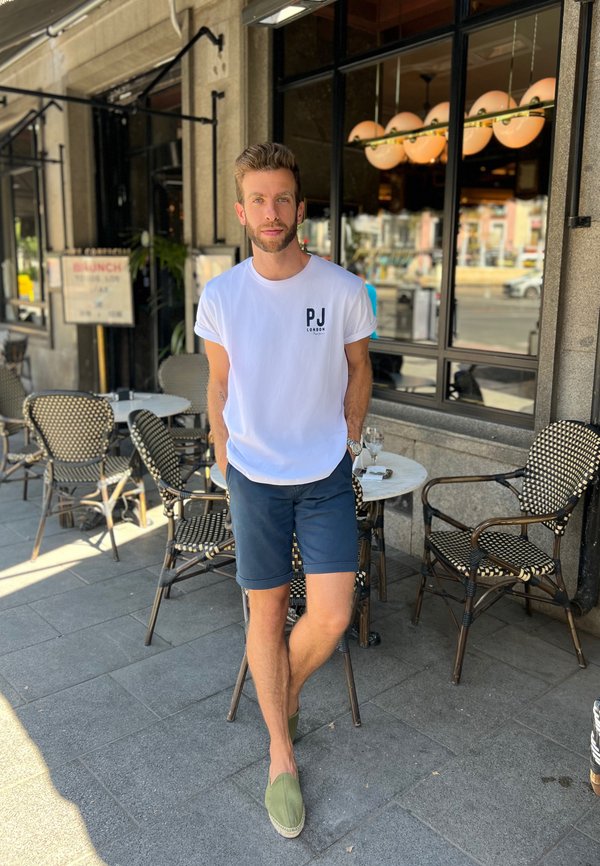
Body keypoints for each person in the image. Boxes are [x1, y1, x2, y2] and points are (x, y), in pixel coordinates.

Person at [194, 142, 375, 839]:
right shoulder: (221, 296)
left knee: (331, 614)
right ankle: (280, 753)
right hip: (254, 478)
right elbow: (218, 382)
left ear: (300, 208)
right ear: (242, 212)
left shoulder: (343, 289)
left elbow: (360, 366)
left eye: (282, 199)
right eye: (258, 201)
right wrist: (222, 450)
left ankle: (284, 692)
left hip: (324, 472)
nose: (271, 212)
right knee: (265, 615)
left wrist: (351, 431)